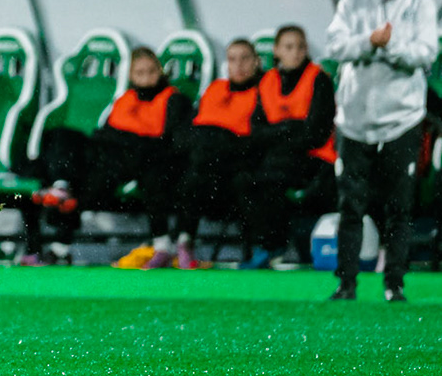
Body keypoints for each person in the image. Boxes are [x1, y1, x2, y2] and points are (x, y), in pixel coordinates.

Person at [323, 0, 439, 302]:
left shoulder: (420, 3)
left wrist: (390, 46)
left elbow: (426, 53)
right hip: (354, 120)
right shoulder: (352, 0)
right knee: (350, 206)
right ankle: (346, 283)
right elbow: (335, 46)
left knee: (399, 206)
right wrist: (367, 42)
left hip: (401, 120)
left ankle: (395, 282)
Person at [30, 46, 192, 268]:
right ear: (131, 75)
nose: (146, 77)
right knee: (62, 136)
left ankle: (162, 247)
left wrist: (124, 138)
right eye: (140, 72)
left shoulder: (174, 100)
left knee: (138, 171)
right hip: (110, 157)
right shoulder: (125, 99)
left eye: (151, 71)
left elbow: (168, 141)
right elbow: (104, 133)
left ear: (160, 71)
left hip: (143, 159)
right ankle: (61, 194)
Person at [241, 25, 337, 268]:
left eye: (300, 47)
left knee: (271, 178)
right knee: (244, 179)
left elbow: (315, 133)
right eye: (289, 47)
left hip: (315, 159)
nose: (296, 52)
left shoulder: (319, 80)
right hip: (279, 156)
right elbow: (257, 129)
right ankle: (263, 247)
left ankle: (272, 248)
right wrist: (288, 128)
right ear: (276, 51)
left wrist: (280, 134)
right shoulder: (267, 81)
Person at [173, 38, 266, 270]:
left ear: (257, 61)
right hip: (206, 165)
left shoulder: (262, 93)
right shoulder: (215, 89)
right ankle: (182, 242)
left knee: (197, 169)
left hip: (236, 161)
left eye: (245, 58)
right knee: (189, 166)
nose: (239, 65)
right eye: (233, 59)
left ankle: (180, 240)